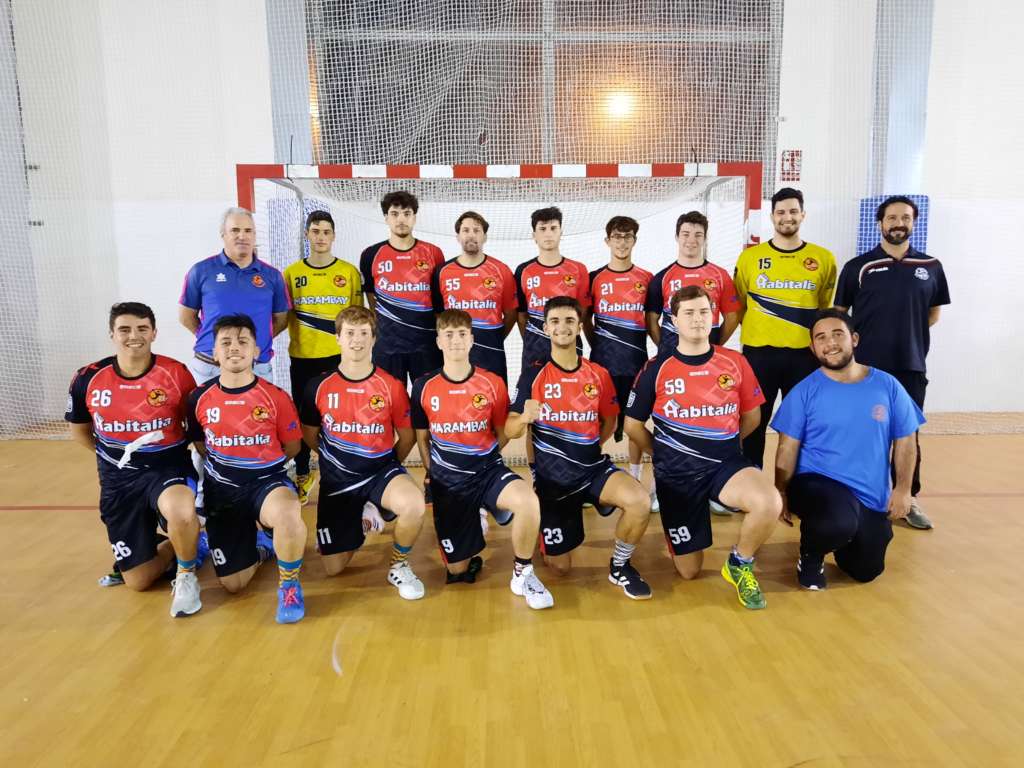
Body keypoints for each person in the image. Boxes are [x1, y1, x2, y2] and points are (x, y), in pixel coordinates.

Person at [625, 286, 781, 610]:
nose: (697, 319)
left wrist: (727, 445)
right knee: (688, 571)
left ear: (714, 317)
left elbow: (752, 416)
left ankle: (740, 563)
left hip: (725, 466)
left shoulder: (735, 362)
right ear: (674, 320)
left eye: (703, 312)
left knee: (768, 502)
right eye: (689, 313)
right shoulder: (657, 368)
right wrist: (661, 454)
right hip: (677, 477)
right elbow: (633, 426)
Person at [506, 297, 653, 599]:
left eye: (569, 321)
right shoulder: (533, 374)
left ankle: (620, 565)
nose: (562, 327)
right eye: (555, 321)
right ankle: (543, 528)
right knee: (559, 568)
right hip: (554, 482)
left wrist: (587, 447)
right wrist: (523, 418)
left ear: (579, 326)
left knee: (639, 501)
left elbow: (610, 421)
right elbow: (510, 429)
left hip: (592, 470)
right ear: (545, 328)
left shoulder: (597, 373)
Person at [66, 302, 204, 618]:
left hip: (167, 469)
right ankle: (184, 545)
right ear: (112, 334)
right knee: (139, 581)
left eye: (142, 328)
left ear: (153, 333)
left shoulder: (176, 373)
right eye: (125, 329)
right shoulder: (88, 378)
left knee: (181, 512)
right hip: (119, 481)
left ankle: (186, 574)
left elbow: (195, 425)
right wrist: (117, 459)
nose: (134, 336)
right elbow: (81, 431)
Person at [411, 310, 554, 609]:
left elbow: (504, 432)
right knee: (457, 572)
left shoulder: (492, 383)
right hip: (449, 482)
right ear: (438, 342)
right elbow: (422, 437)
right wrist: (433, 473)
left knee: (528, 501)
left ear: (472, 339)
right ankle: (476, 519)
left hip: (488, 472)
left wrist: (485, 455)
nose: (456, 341)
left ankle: (523, 572)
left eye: (462, 334)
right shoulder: (424, 386)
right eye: (449, 335)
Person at [772, 309, 925, 589]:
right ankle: (811, 555)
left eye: (837, 334)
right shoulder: (804, 391)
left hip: (869, 494)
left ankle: (842, 537)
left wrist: (903, 489)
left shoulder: (888, 386)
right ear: (812, 348)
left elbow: (906, 441)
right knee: (838, 521)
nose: (830, 342)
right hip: (816, 483)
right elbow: (786, 448)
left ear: (854, 339)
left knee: (866, 570)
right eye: (821, 337)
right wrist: (780, 491)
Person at [835, 195, 950, 530]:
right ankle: (859, 495)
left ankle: (907, 497)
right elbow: (840, 317)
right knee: (862, 432)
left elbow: (933, 314)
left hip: (911, 366)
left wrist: (905, 335)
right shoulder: (858, 267)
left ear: (914, 222)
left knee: (907, 435)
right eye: (892, 218)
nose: (899, 223)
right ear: (880, 223)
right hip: (865, 369)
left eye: (905, 218)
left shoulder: (931, 267)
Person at [186, 314, 308, 624]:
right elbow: (201, 445)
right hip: (222, 493)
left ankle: (289, 587)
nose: (234, 348)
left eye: (243, 341)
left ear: (256, 350)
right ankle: (264, 546)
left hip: (266, 484)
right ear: (214, 352)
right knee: (233, 584)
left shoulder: (276, 397)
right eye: (225, 342)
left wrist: (258, 465)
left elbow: (292, 447)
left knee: (288, 514)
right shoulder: (198, 398)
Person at [300, 306, 427, 600]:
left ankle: (399, 564)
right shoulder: (318, 386)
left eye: (364, 333)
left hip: (380, 472)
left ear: (373, 339)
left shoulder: (391, 386)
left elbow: (407, 436)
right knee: (333, 568)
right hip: (338, 482)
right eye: (350, 333)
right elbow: (309, 434)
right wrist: (334, 460)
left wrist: (390, 467)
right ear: (338, 338)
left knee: (413, 504)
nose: (357, 340)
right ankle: (365, 518)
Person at [733, 188, 836, 469]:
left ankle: (798, 483)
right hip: (759, 355)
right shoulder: (750, 258)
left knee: (801, 425)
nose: (787, 217)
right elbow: (740, 305)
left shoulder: (823, 259)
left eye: (793, 211)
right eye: (780, 212)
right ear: (772, 217)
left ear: (803, 215)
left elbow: (824, 310)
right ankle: (752, 480)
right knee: (753, 422)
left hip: (804, 357)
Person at [284, 210, 363, 506]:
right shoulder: (292, 274)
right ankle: (303, 473)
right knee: (304, 418)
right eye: (315, 231)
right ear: (307, 234)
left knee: (342, 418)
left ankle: (345, 472)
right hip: (303, 359)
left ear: (334, 236)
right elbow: (281, 316)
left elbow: (358, 319)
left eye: (326, 232)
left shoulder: (349, 272)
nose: (320, 237)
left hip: (339, 360)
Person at [584, 216, 657, 510]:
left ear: (634, 241)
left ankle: (635, 478)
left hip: (636, 363)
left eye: (628, 237)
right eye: (617, 236)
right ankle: (590, 478)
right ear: (607, 241)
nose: (622, 242)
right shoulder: (594, 278)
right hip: (603, 364)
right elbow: (586, 320)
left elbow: (652, 321)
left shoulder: (647, 279)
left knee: (635, 424)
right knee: (598, 423)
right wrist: (599, 346)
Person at [513, 206, 592, 479]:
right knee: (533, 416)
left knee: (573, 412)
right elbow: (521, 316)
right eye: (542, 229)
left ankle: (577, 469)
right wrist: (536, 340)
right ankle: (536, 475)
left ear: (561, 231)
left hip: (571, 353)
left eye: (553, 228)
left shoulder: (578, 270)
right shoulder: (523, 271)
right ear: (534, 235)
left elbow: (583, 314)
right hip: (534, 353)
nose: (548, 234)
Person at [178, 207, 290, 383]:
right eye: (235, 230)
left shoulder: (273, 276)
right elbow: (186, 316)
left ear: (254, 235)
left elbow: (281, 320)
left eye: (248, 231)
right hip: (209, 367)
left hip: (257, 368)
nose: (242, 236)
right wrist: (215, 338)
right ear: (223, 234)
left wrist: (251, 341)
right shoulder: (200, 271)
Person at [359, 190, 445, 388]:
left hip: (426, 346)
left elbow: (439, 301)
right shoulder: (371, 254)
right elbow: (372, 299)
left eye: (407, 213)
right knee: (388, 400)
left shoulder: (433, 253)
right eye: (394, 214)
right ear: (386, 218)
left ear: (414, 217)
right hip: (387, 347)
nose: (401, 219)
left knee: (427, 399)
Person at [431, 211, 517, 380]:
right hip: (455, 355)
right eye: (466, 230)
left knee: (496, 395)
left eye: (477, 230)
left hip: (491, 354)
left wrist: (494, 338)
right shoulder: (442, 272)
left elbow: (511, 313)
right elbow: (439, 315)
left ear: (485, 237)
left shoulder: (501, 271)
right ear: (458, 236)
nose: (471, 235)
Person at [646, 211, 740, 358]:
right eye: (685, 234)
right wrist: (665, 348)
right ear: (677, 237)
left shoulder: (720, 276)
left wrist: (715, 345)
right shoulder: (662, 278)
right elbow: (651, 321)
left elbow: (732, 317)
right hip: (671, 358)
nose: (691, 240)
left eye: (698, 235)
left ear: (705, 238)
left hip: (708, 358)